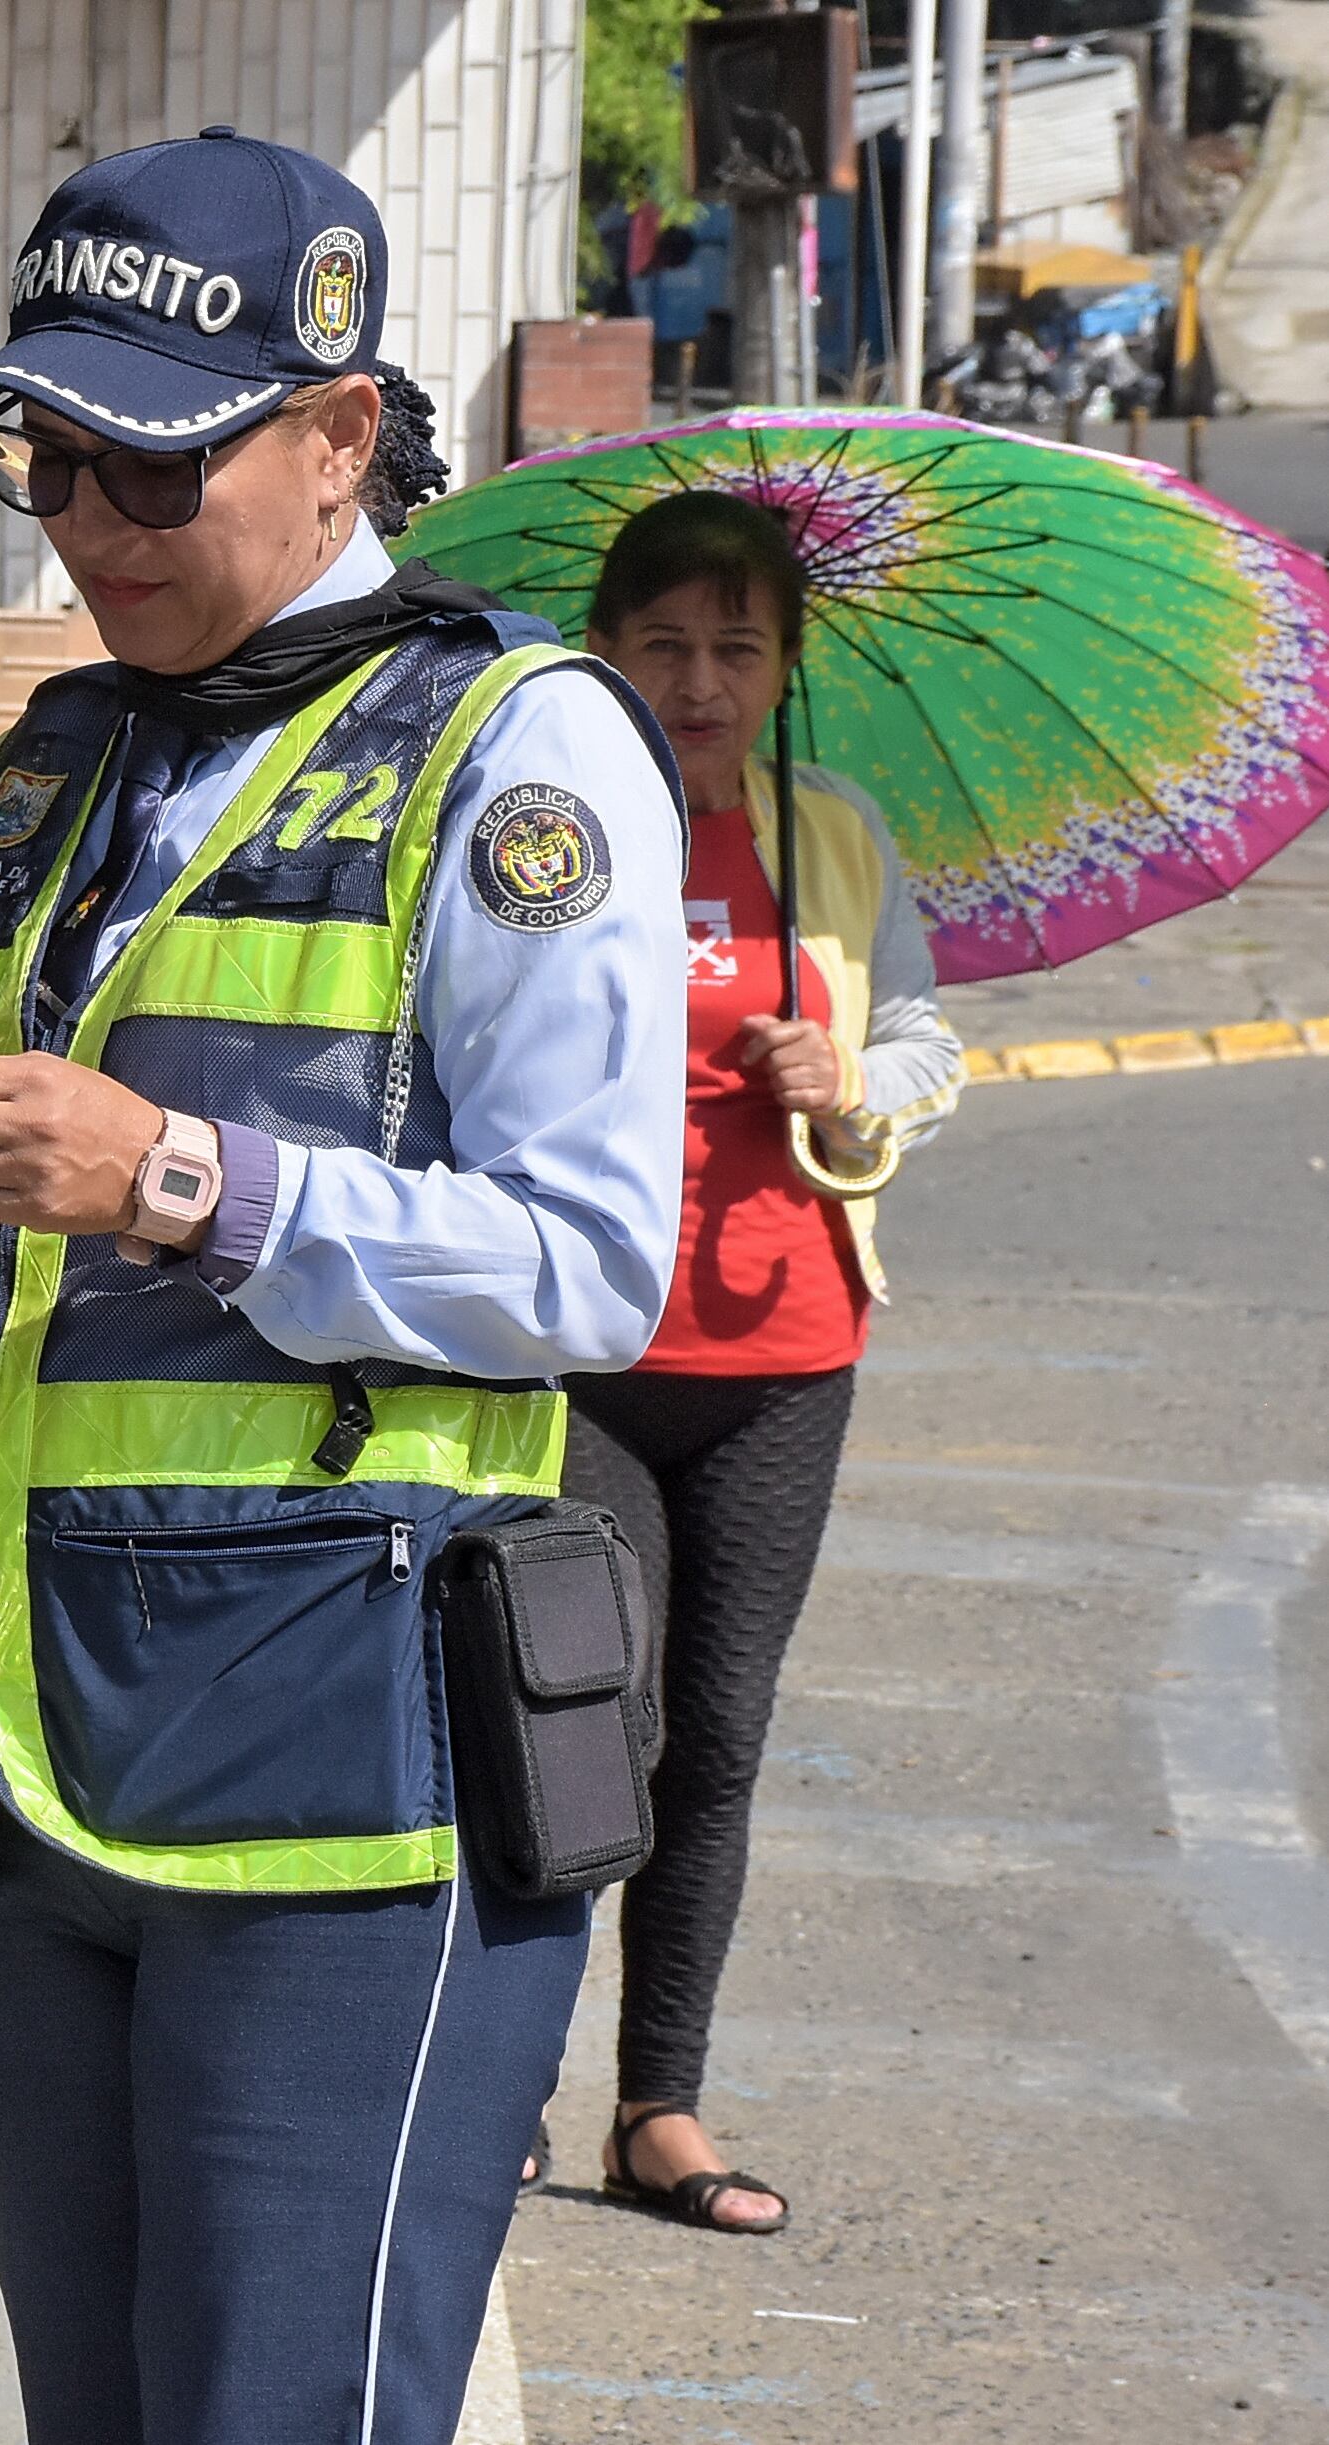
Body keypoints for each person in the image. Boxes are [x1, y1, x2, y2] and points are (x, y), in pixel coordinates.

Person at [0, 134, 687, 2443]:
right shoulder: (45, 764)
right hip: (32, 1762)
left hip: (349, 1783)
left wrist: (183, 1181)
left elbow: (590, 1263)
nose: (94, 519)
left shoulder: (511, 748)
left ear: (337, 434)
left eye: (155, 458)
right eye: (51, 457)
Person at [561, 489, 963, 2231]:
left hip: (788, 1351)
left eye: (736, 648)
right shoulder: (548, 836)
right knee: (576, 1726)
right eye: (664, 645)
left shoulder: (838, 839)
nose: (700, 681)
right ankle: (497, 2069)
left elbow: (930, 1037)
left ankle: (661, 2105)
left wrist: (857, 1080)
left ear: (786, 665)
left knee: (713, 1741)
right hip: (578, 1350)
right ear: (605, 656)